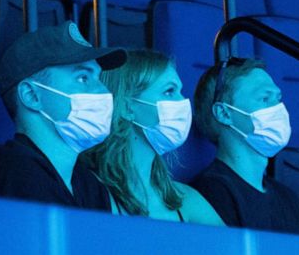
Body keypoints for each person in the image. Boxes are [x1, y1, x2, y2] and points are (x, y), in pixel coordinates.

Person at [0, 21, 125, 209]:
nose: (103, 91)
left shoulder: (86, 183)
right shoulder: (13, 175)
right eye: (83, 78)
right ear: (31, 95)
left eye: (99, 78)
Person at [83, 49, 224, 225]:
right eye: (169, 91)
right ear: (127, 107)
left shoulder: (186, 200)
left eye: (180, 91)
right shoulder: (89, 192)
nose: (182, 101)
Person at [190, 57, 299, 236]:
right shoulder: (209, 194)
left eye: (278, 99)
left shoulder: (290, 199)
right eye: (264, 98)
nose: (278, 109)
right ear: (224, 113)